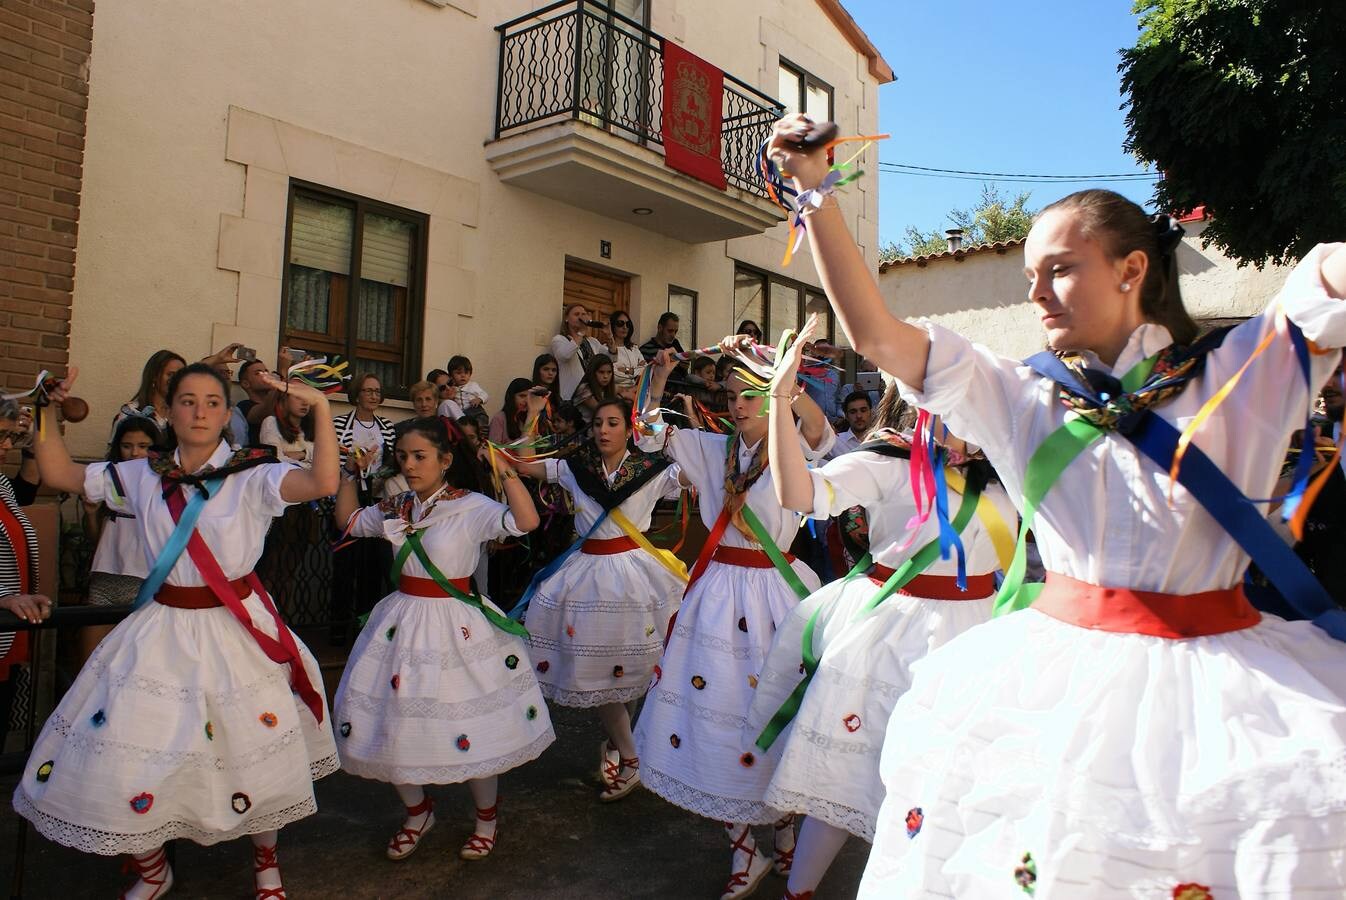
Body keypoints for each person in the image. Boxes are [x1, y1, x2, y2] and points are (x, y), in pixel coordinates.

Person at [768, 114, 1346, 896]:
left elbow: (1327, 279)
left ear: (1131, 268)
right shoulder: (1020, 394)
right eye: (1029, 277)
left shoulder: (1246, 368)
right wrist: (813, 190)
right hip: (1058, 683)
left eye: (1060, 270)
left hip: (1230, 689)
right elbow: (874, 333)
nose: (1036, 293)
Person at [17, 362, 340, 900]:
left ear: (224, 412)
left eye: (213, 401)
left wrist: (324, 410)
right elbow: (60, 475)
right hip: (161, 629)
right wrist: (47, 410)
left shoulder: (252, 474)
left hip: (235, 629)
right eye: (187, 400)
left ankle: (265, 864)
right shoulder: (143, 473)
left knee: (251, 749)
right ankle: (153, 869)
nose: (201, 411)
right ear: (168, 409)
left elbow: (322, 482)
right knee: (128, 749)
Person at [745, 335, 1015, 900]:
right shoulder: (886, 462)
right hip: (899, 636)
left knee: (958, 787)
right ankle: (800, 891)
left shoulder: (1008, 469)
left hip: (982, 637)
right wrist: (779, 399)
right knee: (850, 777)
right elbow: (799, 493)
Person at [634, 339, 834, 900]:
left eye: (752, 395)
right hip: (718, 592)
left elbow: (823, 434)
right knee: (716, 710)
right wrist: (659, 378)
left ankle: (787, 827)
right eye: (733, 394)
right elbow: (649, 432)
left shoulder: (793, 444)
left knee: (780, 709)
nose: (740, 404)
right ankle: (744, 846)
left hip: (775, 592)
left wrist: (788, 389)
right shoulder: (711, 446)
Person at [332, 416, 552, 863]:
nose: (410, 465)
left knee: (470, 720)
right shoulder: (396, 507)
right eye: (402, 457)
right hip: (401, 624)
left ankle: (486, 818)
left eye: (420, 456)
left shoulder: (471, 506)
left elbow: (525, 521)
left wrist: (504, 468)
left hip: (459, 626)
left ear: (445, 461)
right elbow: (349, 521)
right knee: (393, 722)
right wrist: (349, 474)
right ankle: (418, 811)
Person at [511, 394, 685, 801]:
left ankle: (618, 743)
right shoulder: (576, 468)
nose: (603, 431)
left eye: (612, 423)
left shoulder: (652, 468)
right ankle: (630, 757)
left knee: (640, 668)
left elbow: (697, 476)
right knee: (599, 670)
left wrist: (673, 431)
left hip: (637, 575)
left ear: (629, 428)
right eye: (598, 424)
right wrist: (534, 416)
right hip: (588, 577)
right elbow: (520, 464)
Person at [78, 415, 162, 664]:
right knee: (91, 663)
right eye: (127, 446)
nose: (135, 453)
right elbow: (96, 540)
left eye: (143, 446)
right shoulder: (107, 479)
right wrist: (91, 515)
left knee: (134, 664)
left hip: (146, 582)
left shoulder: (167, 484)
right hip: (106, 578)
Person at [330, 374, 397, 646]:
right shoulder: (339, 424)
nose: (373, 396)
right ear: (356, 394)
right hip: (347, 495)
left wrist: (379, 474)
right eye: (368, 391)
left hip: (376, 499)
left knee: (371, 566)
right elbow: (332, 458)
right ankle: (338, 629)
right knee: (344, 565)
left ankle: (364, 627)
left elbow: (393, 460)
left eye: (377, 391)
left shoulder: (388, 427)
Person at [0, 400, 51, 752]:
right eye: (1, 435)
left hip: (8, 632)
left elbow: (27, 489)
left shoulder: (1, 484)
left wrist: (35, 439)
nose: (6, 446)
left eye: (10, 436)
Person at [113, 349, 185, 434]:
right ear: (154, 376)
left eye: (182, 376)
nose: (177, 380)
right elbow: (115, 446)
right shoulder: (132, 413)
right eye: (171, 375)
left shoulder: (184, 414)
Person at [551, 305, 609, 401]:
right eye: (577, 314)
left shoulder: (592, 341)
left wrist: (609, 336)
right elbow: (565, 355)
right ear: (566, 318)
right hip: (571, 397)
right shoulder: (559, 340)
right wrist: (581, 332)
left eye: (583, 314)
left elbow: (611, 358)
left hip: (593, 394)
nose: (581, 317)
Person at [228, 358, 272, 448]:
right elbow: (263, 412)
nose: (265, 375)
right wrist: (277, 384)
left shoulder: (278, 403)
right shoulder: (243, 406)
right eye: (258, 373)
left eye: (266, 371)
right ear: (245, 384)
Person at [606, 310, 646, 396]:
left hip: (637, 392)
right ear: (613, 326)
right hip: (617, 393)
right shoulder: (605, 349)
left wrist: (628, 370)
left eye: (628, 324)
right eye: (620, 323)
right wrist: (636, 371)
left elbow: (645, 369)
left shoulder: (634, 348)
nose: (625, 327)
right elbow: (613, 374)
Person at [489, 379, 537, 446]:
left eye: (530, 397)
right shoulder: (499, 418)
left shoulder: (528, 417)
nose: (527, 401)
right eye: (522, 396)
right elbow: (494, 448)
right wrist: (521, 441)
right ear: (511, 397)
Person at [571, 354, 617, 423]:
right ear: (593, 372)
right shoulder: (583, 389)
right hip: (583, 429)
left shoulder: (607, 388)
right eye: (601, 372)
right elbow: (601, 410)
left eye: (609, 372)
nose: (606, 376)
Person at [827, 390, 873, 459]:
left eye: (863, 410)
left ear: (871, 413)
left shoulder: (882, 440)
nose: (859, 416)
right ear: (846, 416)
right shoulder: (835, 442)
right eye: (853, 412)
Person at [447, 355, 489, 422]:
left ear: (470, 374)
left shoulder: (472, 385)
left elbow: (485, 395)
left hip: (474, 410)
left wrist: (479, 399)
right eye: (459, 373)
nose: (463, 375)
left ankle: (482, 428)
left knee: (481, 418)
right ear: (451, 375)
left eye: (466, 373)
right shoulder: (451, 388)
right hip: (462, 414)